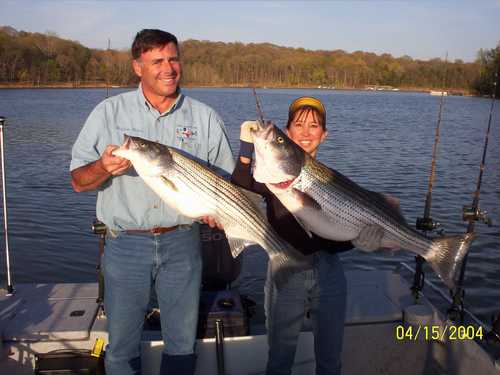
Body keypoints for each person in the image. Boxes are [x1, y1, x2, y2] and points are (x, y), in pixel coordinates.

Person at [70, 29, 234, 375]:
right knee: (121, 349)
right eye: (157, 61)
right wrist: (102, 167)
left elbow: (227, 184)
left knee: (181, 345)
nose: (168, 68)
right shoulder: (108, 113)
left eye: (173, 59)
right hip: (125, 245)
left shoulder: (205, 117)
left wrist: (221, 212)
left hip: (184, 243)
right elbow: (78, 182)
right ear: (137, 67)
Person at [231, 97, 383, 375]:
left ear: (323, 136)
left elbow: (333, 237)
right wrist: (246, 148)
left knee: (329, 360)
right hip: (286, 270)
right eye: (298, 124)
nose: (305, 131)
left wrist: (360, 241)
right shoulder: (273, 178)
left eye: (314, 126)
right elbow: (241, 183)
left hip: (329, 272)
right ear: (287, 133)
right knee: (279, 359)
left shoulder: (332, 180)